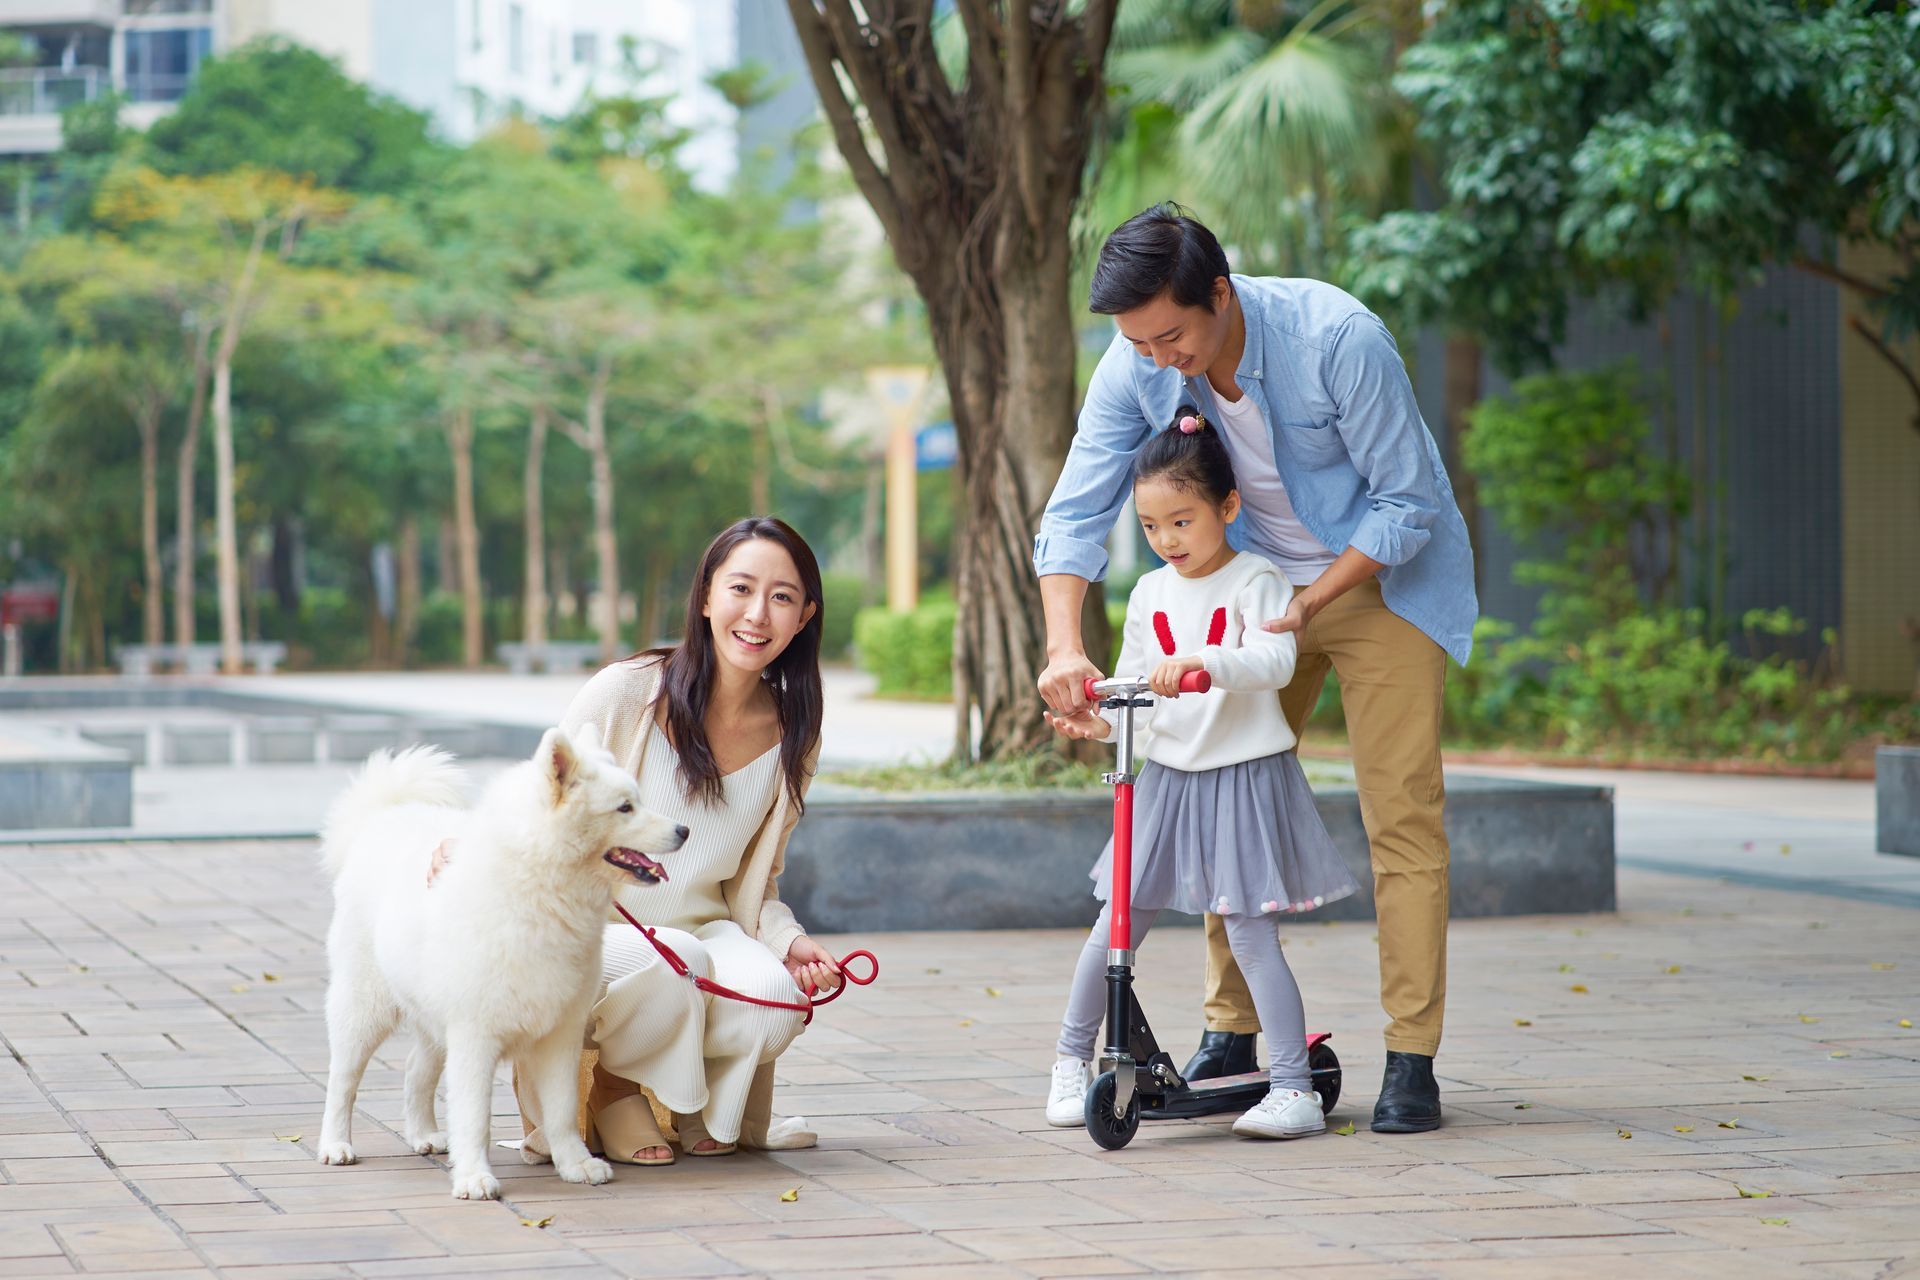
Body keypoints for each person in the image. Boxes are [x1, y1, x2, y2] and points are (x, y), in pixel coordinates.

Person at [1034, 204, 1477, 1134]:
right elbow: (1077, 509)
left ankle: (1411, 1057)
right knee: (1212, 777)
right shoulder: (1137, 362)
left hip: (1378, 580)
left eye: (1172, 335)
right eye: (1138, 341)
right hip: (1244, 589)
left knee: (1400, 811)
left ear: (1222, 296)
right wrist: (1064, 646)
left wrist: (1312, 602)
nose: (1158, 357)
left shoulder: (1336, 338)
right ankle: (1232, 1035)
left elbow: (1406, 503)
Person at [1044, 408, 1359, 1138]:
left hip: (1245, 777)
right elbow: (1135, 691)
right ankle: (1069, 1058)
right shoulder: (1150, 593)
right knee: (1115, 925)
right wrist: (1102, 720)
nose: (1166, 541)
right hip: (1167, 782)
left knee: (1250, 934)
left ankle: (1293, 1088)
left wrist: (1207, 663)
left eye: (1181, 521)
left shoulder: (1259, 580)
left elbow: (1276, 662)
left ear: (1227, 507)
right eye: (1151, 526)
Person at [516, 516, 844, 1166]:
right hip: (596, 929)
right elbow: (540, 798)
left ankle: (694, 1101)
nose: (757, 614)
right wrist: (464, 847)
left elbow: (755, 881)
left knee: (777, 1001)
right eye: (740, 589)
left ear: (805, 615)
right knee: (677, 957)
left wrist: (790, 942)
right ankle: (613, 1093)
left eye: (781, 597)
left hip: (706, 931)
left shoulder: (794, 732)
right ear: (705, 597)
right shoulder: (628, 692)